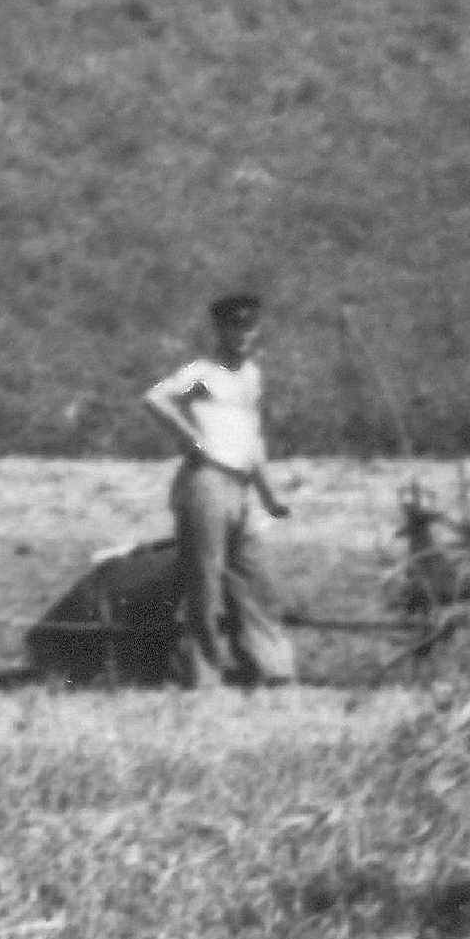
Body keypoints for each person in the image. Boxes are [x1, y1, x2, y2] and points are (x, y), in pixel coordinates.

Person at [141, 293, 298, 688]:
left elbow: (252, 440)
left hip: (241, 486)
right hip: (207, 481)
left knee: (256, 580)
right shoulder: (202, 371)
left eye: (250, 327)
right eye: (234, 326)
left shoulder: (251, 376)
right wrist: (190, 437)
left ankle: (270, 669)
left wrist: (268, 495)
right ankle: (204, 676)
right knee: (205, 582)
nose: (243, 335)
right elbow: (155, 398)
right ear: (219, 330)